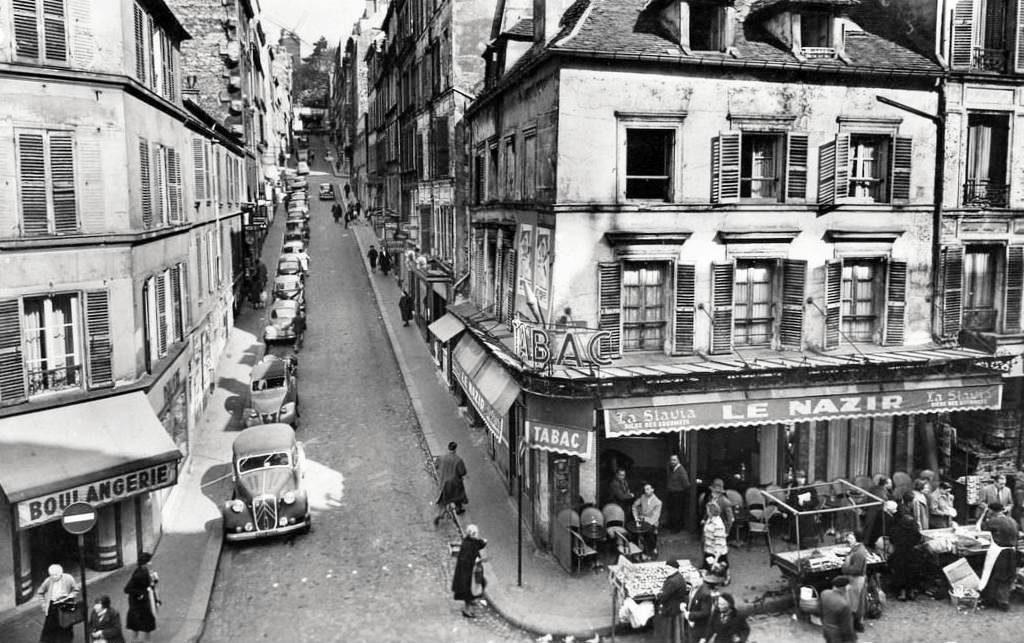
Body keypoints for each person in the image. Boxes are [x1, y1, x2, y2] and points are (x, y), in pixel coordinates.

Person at [980, 502, 1018, 611]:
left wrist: (984, 514)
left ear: (991, 511)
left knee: (994, 576)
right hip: (1012, 551)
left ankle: (990, 599)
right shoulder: (1012, 520)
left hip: (999, 552)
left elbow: (981, 527)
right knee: (1007, 577)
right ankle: (1004, 600)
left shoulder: (994, 521)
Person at [681, 563, 726, 643]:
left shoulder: (705, 594)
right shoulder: (695, 588)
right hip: (692, 627)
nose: (693, 580)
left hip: (700, 629)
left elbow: (707, 614)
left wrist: (690, 615)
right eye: (692, 578)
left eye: (695, 578)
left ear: (701, 578)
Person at [37, 564, 80, 643]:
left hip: (65, 604)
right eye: (51, 575)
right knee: (49, 627)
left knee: (66, 625)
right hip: (53, 605)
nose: (53, 577)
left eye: (55, 575)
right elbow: (40, 592)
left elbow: (76, 589)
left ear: (61, 573)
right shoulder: (48, 581)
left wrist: (71, 595)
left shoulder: (68, 578)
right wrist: (43, 604)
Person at [451, 524, 487, 618]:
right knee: (469, 592)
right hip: (467, 574)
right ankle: (466, 610)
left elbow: (478, 544)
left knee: (480, 584)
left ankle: (471, 602)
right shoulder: (467, 545)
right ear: (473, 534)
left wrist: (483, 542)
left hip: (470, 572)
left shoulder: (470, 541)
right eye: (476, 533)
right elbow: (466, 560)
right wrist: (476, 561)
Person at [123, 551, 159, 642]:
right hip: (138, 605)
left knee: (146, 625)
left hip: (144, 603)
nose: (151, 563)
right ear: (144, 563)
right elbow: (127, 589)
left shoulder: (146, 571)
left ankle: (144, 640)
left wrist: (154, 581)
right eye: (149, 561)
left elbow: (150, 585)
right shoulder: (139, 575)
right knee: (138, 624)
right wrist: (140, 594)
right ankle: (137, 640)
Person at [888, 508, 922, 601]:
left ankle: (902, 593)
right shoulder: (914, 531)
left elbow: (892, 539)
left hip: (900, 554)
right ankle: (910, 592)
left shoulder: (896, 530)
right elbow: (918, 539)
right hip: (912, 554)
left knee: (900, 573)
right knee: (911, 573)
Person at [654, 559, 689, 643]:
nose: (666, 571)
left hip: (670, 609)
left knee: (669, 632)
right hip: (677, 607)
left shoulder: (672, 581)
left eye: (667, 569)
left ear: (673, 569)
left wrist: (657, 594)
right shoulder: (679, 576)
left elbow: (664, 596)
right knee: (677, 631)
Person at [840, 530, 868, 632]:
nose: (848, 540)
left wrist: (845, 569)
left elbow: (857, 569)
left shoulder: (859, 552)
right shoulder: (856, 549)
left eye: (851, 538)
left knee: (856, 603)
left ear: (857, 539)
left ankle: (857, 624)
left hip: (857, 580)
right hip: (853, 580)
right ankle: (856, 624)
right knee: (854, 602)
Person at [434, 441, 468, 525]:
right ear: (455, 449)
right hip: (455, 483)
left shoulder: (442, 457)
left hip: (444, 483)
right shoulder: (458, 460)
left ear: (448, 448)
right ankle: (458, 509)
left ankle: (440, 515)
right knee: (457, 497)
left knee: (444, 501)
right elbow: (463, 472)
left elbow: (436, 465)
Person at [786, 470, 819, 548]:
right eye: (798, 478)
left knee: (803, 520)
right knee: (790, 516)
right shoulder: (793, 487)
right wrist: (786, 510)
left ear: (805, 478)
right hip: (795, 510)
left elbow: (815, 501)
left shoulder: (810, 488)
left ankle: (804, 543)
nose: (800, 480)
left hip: (806, 511)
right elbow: (790, 500)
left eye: (802, 478)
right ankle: (793, 539)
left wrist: (804, 503)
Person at [821, 575, 857, 643]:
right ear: (844, 588)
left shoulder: (824, 593)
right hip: (837, 635)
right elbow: (847, 627)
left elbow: (820, 611)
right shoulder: (844, 605)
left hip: (826, 629)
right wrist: (851, 639)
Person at [632, 483, 662, 559]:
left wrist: (643, 519)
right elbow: (634, 506)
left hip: (652, 522)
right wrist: (636, 517)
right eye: (645, 489)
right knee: (633, 532)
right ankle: (637, 551)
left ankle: (649, 551)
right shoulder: (643, 497)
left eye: (648, 489)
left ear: (652, 490)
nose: (646, 491)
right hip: (641, 521)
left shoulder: (658, 502)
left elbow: (655, 517)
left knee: (649, 532)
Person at [703, 501, 729, 579]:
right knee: (709, 571)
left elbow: (719, 544)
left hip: (716, 553)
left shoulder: (718, 525)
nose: (706, 511)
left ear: (711, 511)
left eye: (707, 510)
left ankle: (726, 579)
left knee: (719, 572)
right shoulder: (710, 519)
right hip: (709, 549)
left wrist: (715, 561)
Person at [666, 454, 690, 533]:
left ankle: (677, 528)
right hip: (672, 493)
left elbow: (686, 484)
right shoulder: (673, 469)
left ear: (678, 460)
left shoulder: (681, 470)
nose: (672, 462)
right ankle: (672, 525)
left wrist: (680, 490)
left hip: (678, 494)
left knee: (677, 511)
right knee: (672, 510)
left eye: (674, 460)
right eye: (671, 460)